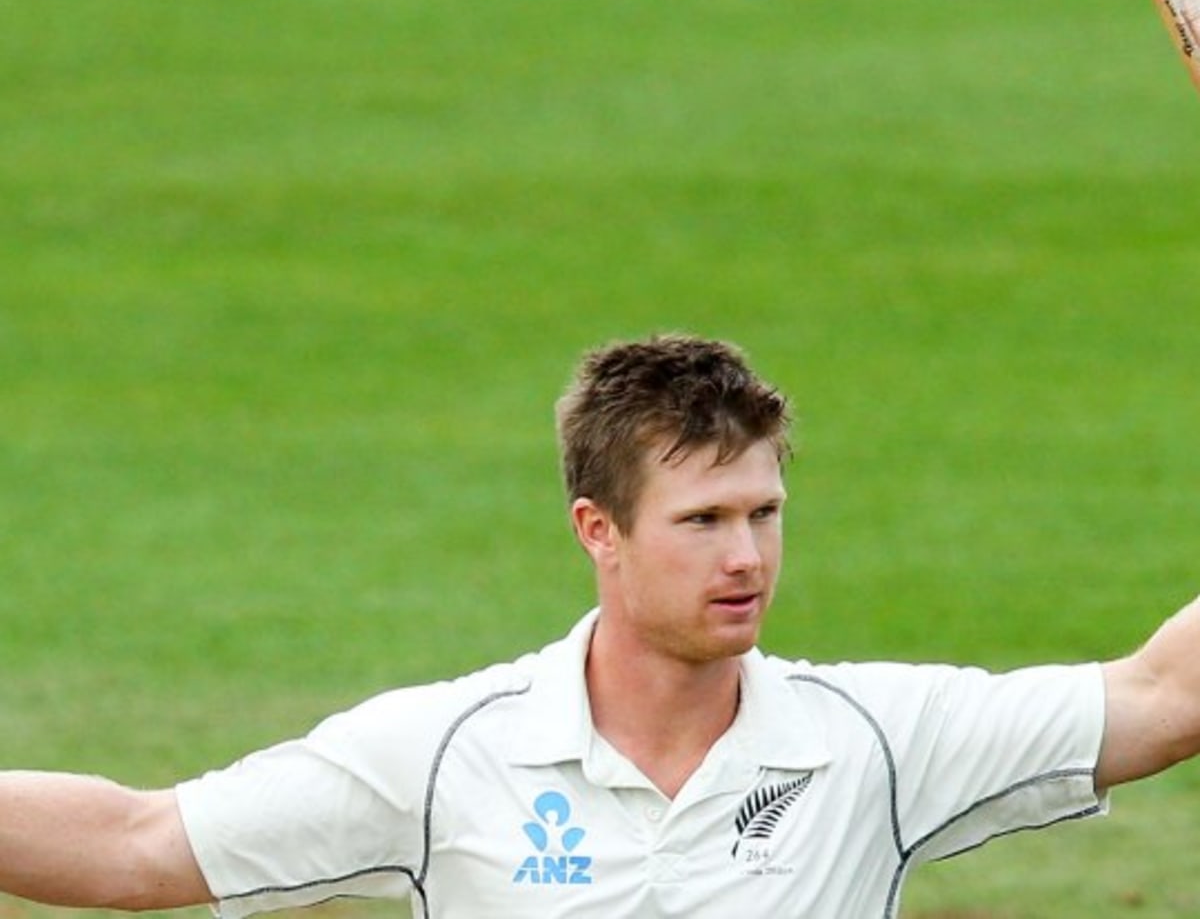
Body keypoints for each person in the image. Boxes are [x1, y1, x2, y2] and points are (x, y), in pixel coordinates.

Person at [1, 333, 1198, 918]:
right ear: (599, 530)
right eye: (703, 521)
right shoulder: (448, 755)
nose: (747, 558)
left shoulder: (875, 742)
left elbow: (1162, 697)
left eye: (765, 513)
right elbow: (136, 843)